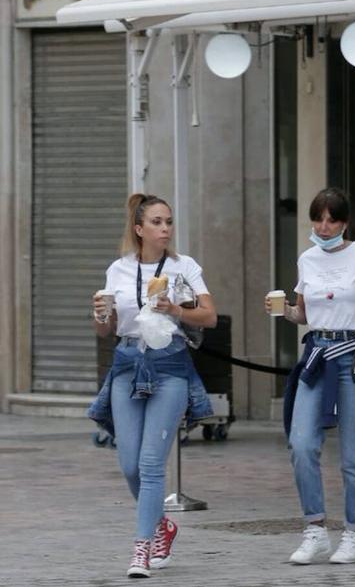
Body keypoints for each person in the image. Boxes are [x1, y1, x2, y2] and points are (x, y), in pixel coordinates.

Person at [88, 193, 218, 577]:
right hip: (128, 363)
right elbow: (105, 330)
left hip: (170, 365)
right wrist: (100, 315)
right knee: (129, 463)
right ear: (139, 228)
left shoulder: (184, 267)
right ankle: (162, 525)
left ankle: (141, 549)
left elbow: (209, 316)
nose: (165, 229)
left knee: (150, 463)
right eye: (157, 222)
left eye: (169, 222)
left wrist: (176, 309)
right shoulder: (119, 270)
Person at [272, 188, 355, 565]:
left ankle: (354, 534)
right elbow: (305, 315)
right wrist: (283, 311)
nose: (325, 227)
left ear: (345, 222)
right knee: (302, 443)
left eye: (333, 220)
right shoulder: (307, 259)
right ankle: (315, 529)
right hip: (318, 357)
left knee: (354, 452)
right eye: (319, 219)